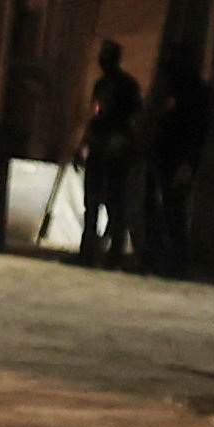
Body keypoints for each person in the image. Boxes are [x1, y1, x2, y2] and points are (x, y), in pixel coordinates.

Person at [146, 41, 212, 277]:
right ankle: (157, 259)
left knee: (174, 210)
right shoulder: (172, 89)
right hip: (162, 156)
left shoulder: (195, 92)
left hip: (178, 158)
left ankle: (176, 262)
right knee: (157, 209)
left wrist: (188, 164)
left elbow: (198, 132)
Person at [77, 39, 143, 267]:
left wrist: (126, 143)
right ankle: (88, 251)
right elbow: (95, 114)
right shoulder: (101, 84)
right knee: (92, 201)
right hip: (99, 145)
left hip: (116, 148)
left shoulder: (127, 85)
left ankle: (114, 253)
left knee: (115, 202)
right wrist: (84, 142)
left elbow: (134, 117)